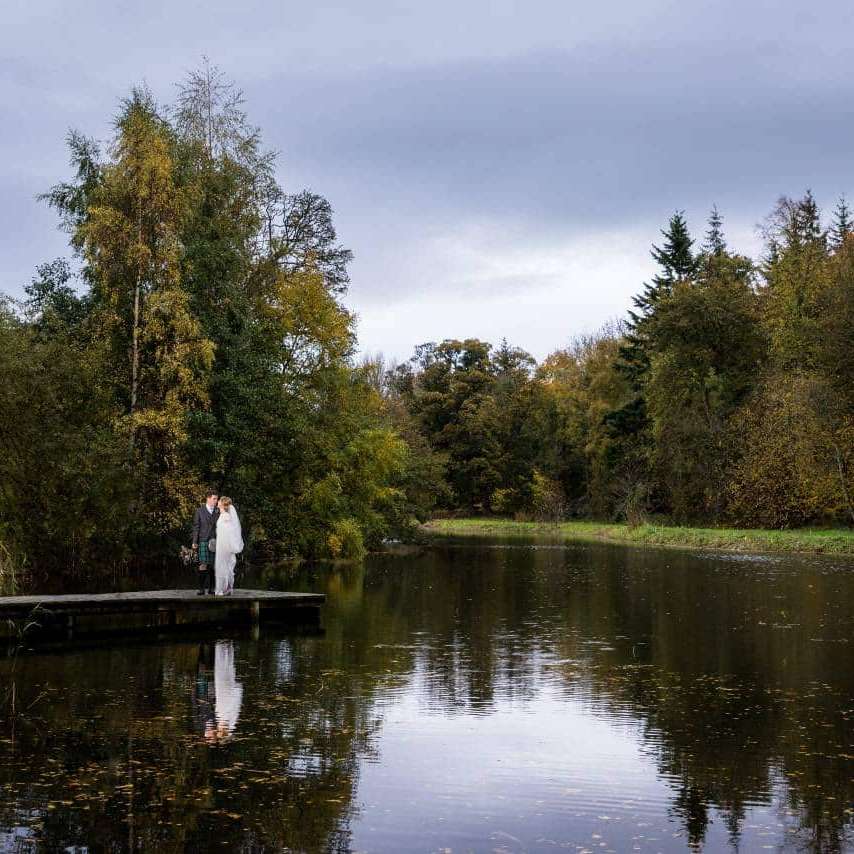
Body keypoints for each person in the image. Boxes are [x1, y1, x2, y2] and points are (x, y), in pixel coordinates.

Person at [214, 496, 243, 596]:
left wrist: (227, 547)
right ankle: (226, 588)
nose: (217, 502)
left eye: (219, 500)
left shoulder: (225, 516)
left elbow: (229, 532)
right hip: (221, 544)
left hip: (224, 546)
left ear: (222, 504)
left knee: (224, 566)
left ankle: (225, 589)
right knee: (224, 566)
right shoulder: (222, 515)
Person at [191, 491, 219, 596]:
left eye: (217, 499)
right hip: (203, 540)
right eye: (214, 499)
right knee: (202, 564)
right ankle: (201, 589)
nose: (216, 501)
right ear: (208, 498)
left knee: (213, 565)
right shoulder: (199, 511)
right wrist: (194, 541)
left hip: (215, 542)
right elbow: (196, 527)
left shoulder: (218, 511)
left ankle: (212, 588)